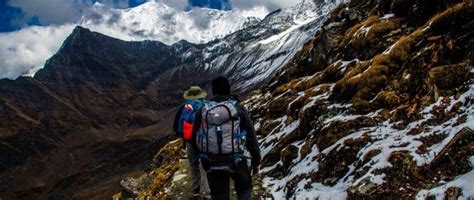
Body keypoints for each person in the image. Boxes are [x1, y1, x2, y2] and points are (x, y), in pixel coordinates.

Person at [192, 77, 261, 200]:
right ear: (228, 89)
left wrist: (202, 158)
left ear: (213, 91)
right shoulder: (238, 108)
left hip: (212, 161)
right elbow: (251, 136)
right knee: (245, 188)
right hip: (236, 159)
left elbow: (194, 137)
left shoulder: (202, 110)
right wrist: (256, 161)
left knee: (220, 196)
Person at [173, 86, 211, 199]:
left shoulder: (185, 108)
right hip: (204, 140)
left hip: (190, 141)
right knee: (205, 165)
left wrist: (185, 137)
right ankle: (207, 192)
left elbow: (177, 127)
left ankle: (196, 190)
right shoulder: (208, 106)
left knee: (193, 164)